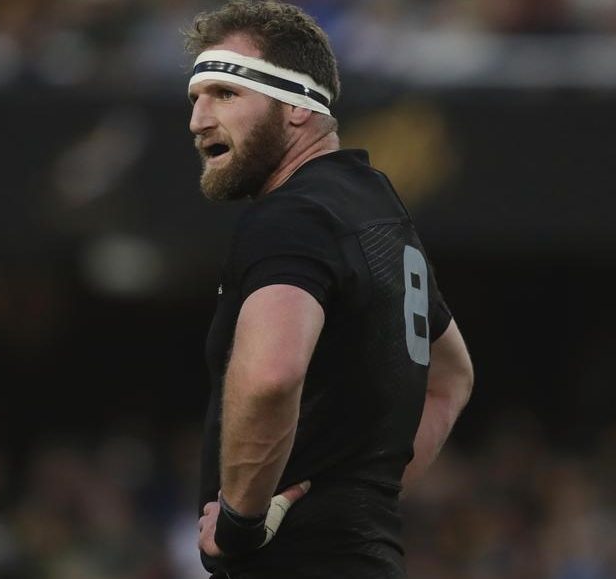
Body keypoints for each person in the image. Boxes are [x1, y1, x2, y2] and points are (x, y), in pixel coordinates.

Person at [185, 2, 474, 578]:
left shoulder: (293, 216)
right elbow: (451, 378)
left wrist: (241, 522)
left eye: (225, 93)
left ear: (297, 105)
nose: (198, 120)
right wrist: (358, 503)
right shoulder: (376, 209)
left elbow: (270, 376)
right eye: (195, 98)